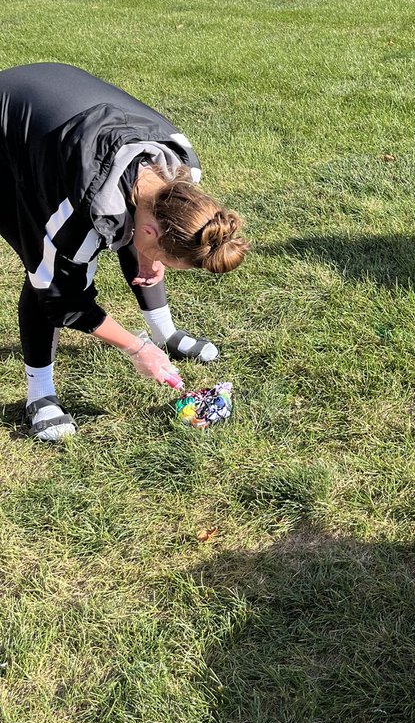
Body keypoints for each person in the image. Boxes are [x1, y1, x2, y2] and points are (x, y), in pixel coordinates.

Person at [0, 63, 250, 441]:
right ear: (149, 230)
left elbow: (150, 222)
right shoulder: (73, 217)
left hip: (59, 92)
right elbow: (61, 300)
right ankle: (40, 394)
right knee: (43, 269)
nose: (157, 266)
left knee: (132, 230)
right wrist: (136, 348)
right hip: (10, 135)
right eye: (166, 260)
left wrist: (153, 255)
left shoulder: (180, 173)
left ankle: (166, 333)